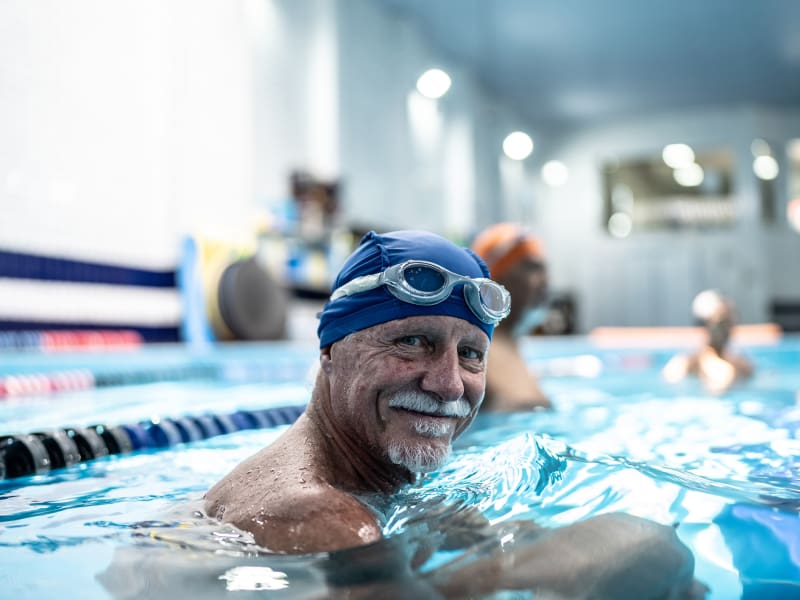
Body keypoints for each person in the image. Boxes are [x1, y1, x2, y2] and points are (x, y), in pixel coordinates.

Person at [205, 230, 705, 598]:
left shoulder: (377, 486)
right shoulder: (324, 520)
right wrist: (534, 569)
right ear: (330, 351)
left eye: (470, 354)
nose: (448, 385)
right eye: (413, 341)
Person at [471, 222, 551, 411]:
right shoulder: (478, 350)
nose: (544, 281)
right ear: (496, 280)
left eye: (543, 268)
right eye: (531, 267)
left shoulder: (510, 344)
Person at [662, 289, 753, 394]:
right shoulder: (687, 362)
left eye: (728, 323)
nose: (726, 329)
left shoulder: (741, 364)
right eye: (722, 324)